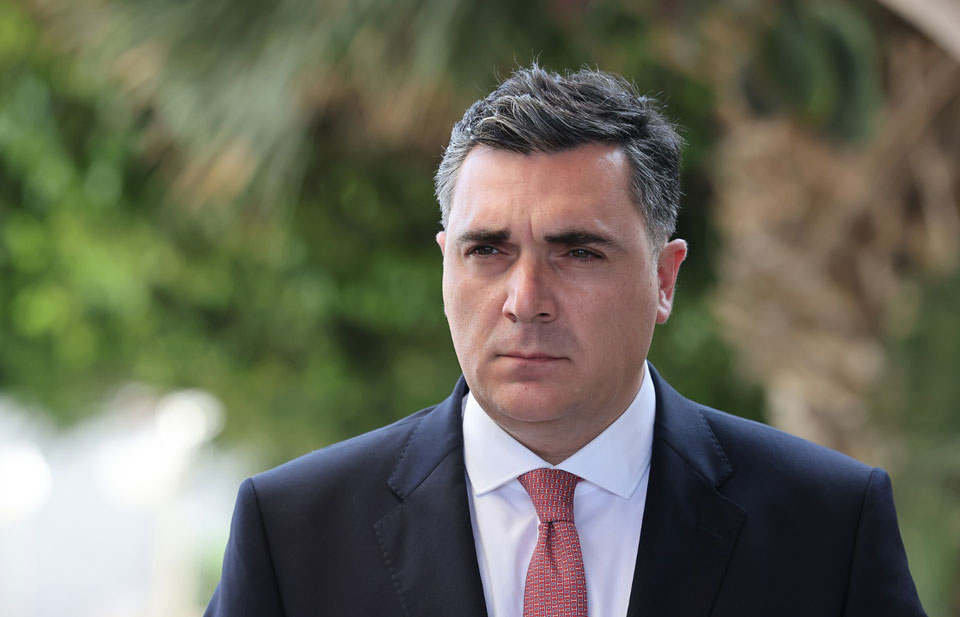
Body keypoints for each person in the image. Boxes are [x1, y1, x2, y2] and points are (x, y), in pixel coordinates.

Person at [204, 65, 926, 617]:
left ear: (664, 279)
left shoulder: (828, 526)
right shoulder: (293, 532)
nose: (525, 301)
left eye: (578, 252)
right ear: (445, 266)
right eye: (487, 251)